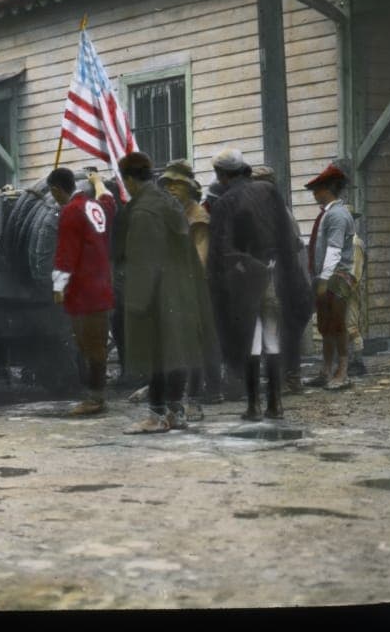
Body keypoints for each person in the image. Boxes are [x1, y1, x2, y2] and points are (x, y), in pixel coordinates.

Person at [206, 148, 307, 422]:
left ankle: (254, 406)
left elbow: (220, 252)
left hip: (246, 280)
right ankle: (275, 404)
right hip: (277, 275)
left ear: (222, 175)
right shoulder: (269, 191)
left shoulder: (225, 203)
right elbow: (287, 236)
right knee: (272, 338)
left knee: (252, 341)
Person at [115, 152, 202, 435]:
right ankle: (176, 412)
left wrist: (136, 303)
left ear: (129, 180)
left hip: (158, 292)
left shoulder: (143, 210)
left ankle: (156, 415)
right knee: (175, 352)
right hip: (181, 289)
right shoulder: (170, 202)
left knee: (156, 354)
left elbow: (143, 261)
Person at [48, 167, 116, 415]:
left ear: (56, 190)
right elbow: (108, 200)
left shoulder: (70, 211)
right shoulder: (95, 207)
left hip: (83, 291)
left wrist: (59, 286)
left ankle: (95, 399)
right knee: (98, 344)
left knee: (89, 346)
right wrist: (97, 181)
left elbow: (66, 251)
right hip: (102, 288)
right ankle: (97, 395)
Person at [158, 160, 219, 419]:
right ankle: (173, 398)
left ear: (190, 187)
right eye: (167, 184)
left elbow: (201, 258)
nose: (171, 188)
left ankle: (194, 400)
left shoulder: (198, 216)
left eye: (177, 184)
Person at [251, 164, 314, 396]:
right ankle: (285, 378)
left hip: (287, 278)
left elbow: (292, 246)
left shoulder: (278, 212)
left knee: (286, 330)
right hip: (278, 277)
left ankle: (290, 379)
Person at [304, 162, 357, 390]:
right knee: (325, 325)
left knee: (337, 324)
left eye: (317, 189)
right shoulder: (328, 214)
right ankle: (326, 371)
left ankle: (342, 372)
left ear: (328, 190)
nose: (315, 194)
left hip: (336, 277)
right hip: (327, 276)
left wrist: (324, 280)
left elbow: (334, 250)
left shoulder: (337, 215)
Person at [346, 207, 368, 377]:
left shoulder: (355, 244)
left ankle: (358, 362)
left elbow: (355, 273)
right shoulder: (342, 242)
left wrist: (342, 291)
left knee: (351, 327)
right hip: (338, 290)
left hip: (348, 291)